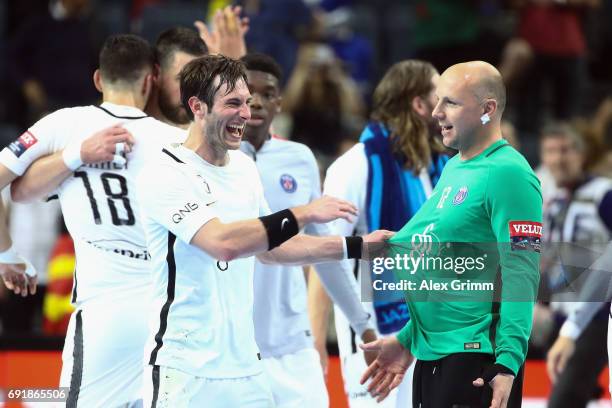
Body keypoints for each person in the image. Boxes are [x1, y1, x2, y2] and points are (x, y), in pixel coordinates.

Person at [136, 54, 392, 407]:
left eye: (247, 102)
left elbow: (272, 249)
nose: (246, 113)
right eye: (233, 103)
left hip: (247, 369)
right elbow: (221, 243)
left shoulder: (242, 167)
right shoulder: (164, 171)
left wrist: (356, 245)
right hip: (185, 369)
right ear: (197, 106)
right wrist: (302, 212)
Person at [1, 34, 186, 407]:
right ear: (151, 79)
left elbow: (13, 188)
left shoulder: (66, 123)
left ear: (98, 79)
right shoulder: (178, 141)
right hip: (173, 315)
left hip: (106, 314)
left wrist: (7, 255)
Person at [360, 61, 542, 408]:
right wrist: (408, 340)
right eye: (438, 100)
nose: (437, 112)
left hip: (478, 361)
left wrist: (507, 363)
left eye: (451, 103)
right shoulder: (456, 166)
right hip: (434, 358)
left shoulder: (509, 173)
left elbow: (522, 273)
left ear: (488, 109)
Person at [309, 59, 448, 408]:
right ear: (419, 104)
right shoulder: (355, 166)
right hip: (373, 331)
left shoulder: (437, 168)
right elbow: (325, 254)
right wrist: (315, 339)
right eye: (440, 97)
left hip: (431, 327)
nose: (446, 108)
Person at [239, 52, 375, 407]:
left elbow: (326, 252)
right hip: (229, 348)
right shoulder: (210, 160)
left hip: (292, 345)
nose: (255, 100)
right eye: (246, 90)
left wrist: (363, 326)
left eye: (266, 93)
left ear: (279, 103)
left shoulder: (298, 159)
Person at [539, 123, 612, 407]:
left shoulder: (603, 194)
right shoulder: (552, 203)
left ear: (581, 155)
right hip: (559, 313)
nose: (558, 159)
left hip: (597, 315)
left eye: (565, 150)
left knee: (563, 401)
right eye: (551, 151)